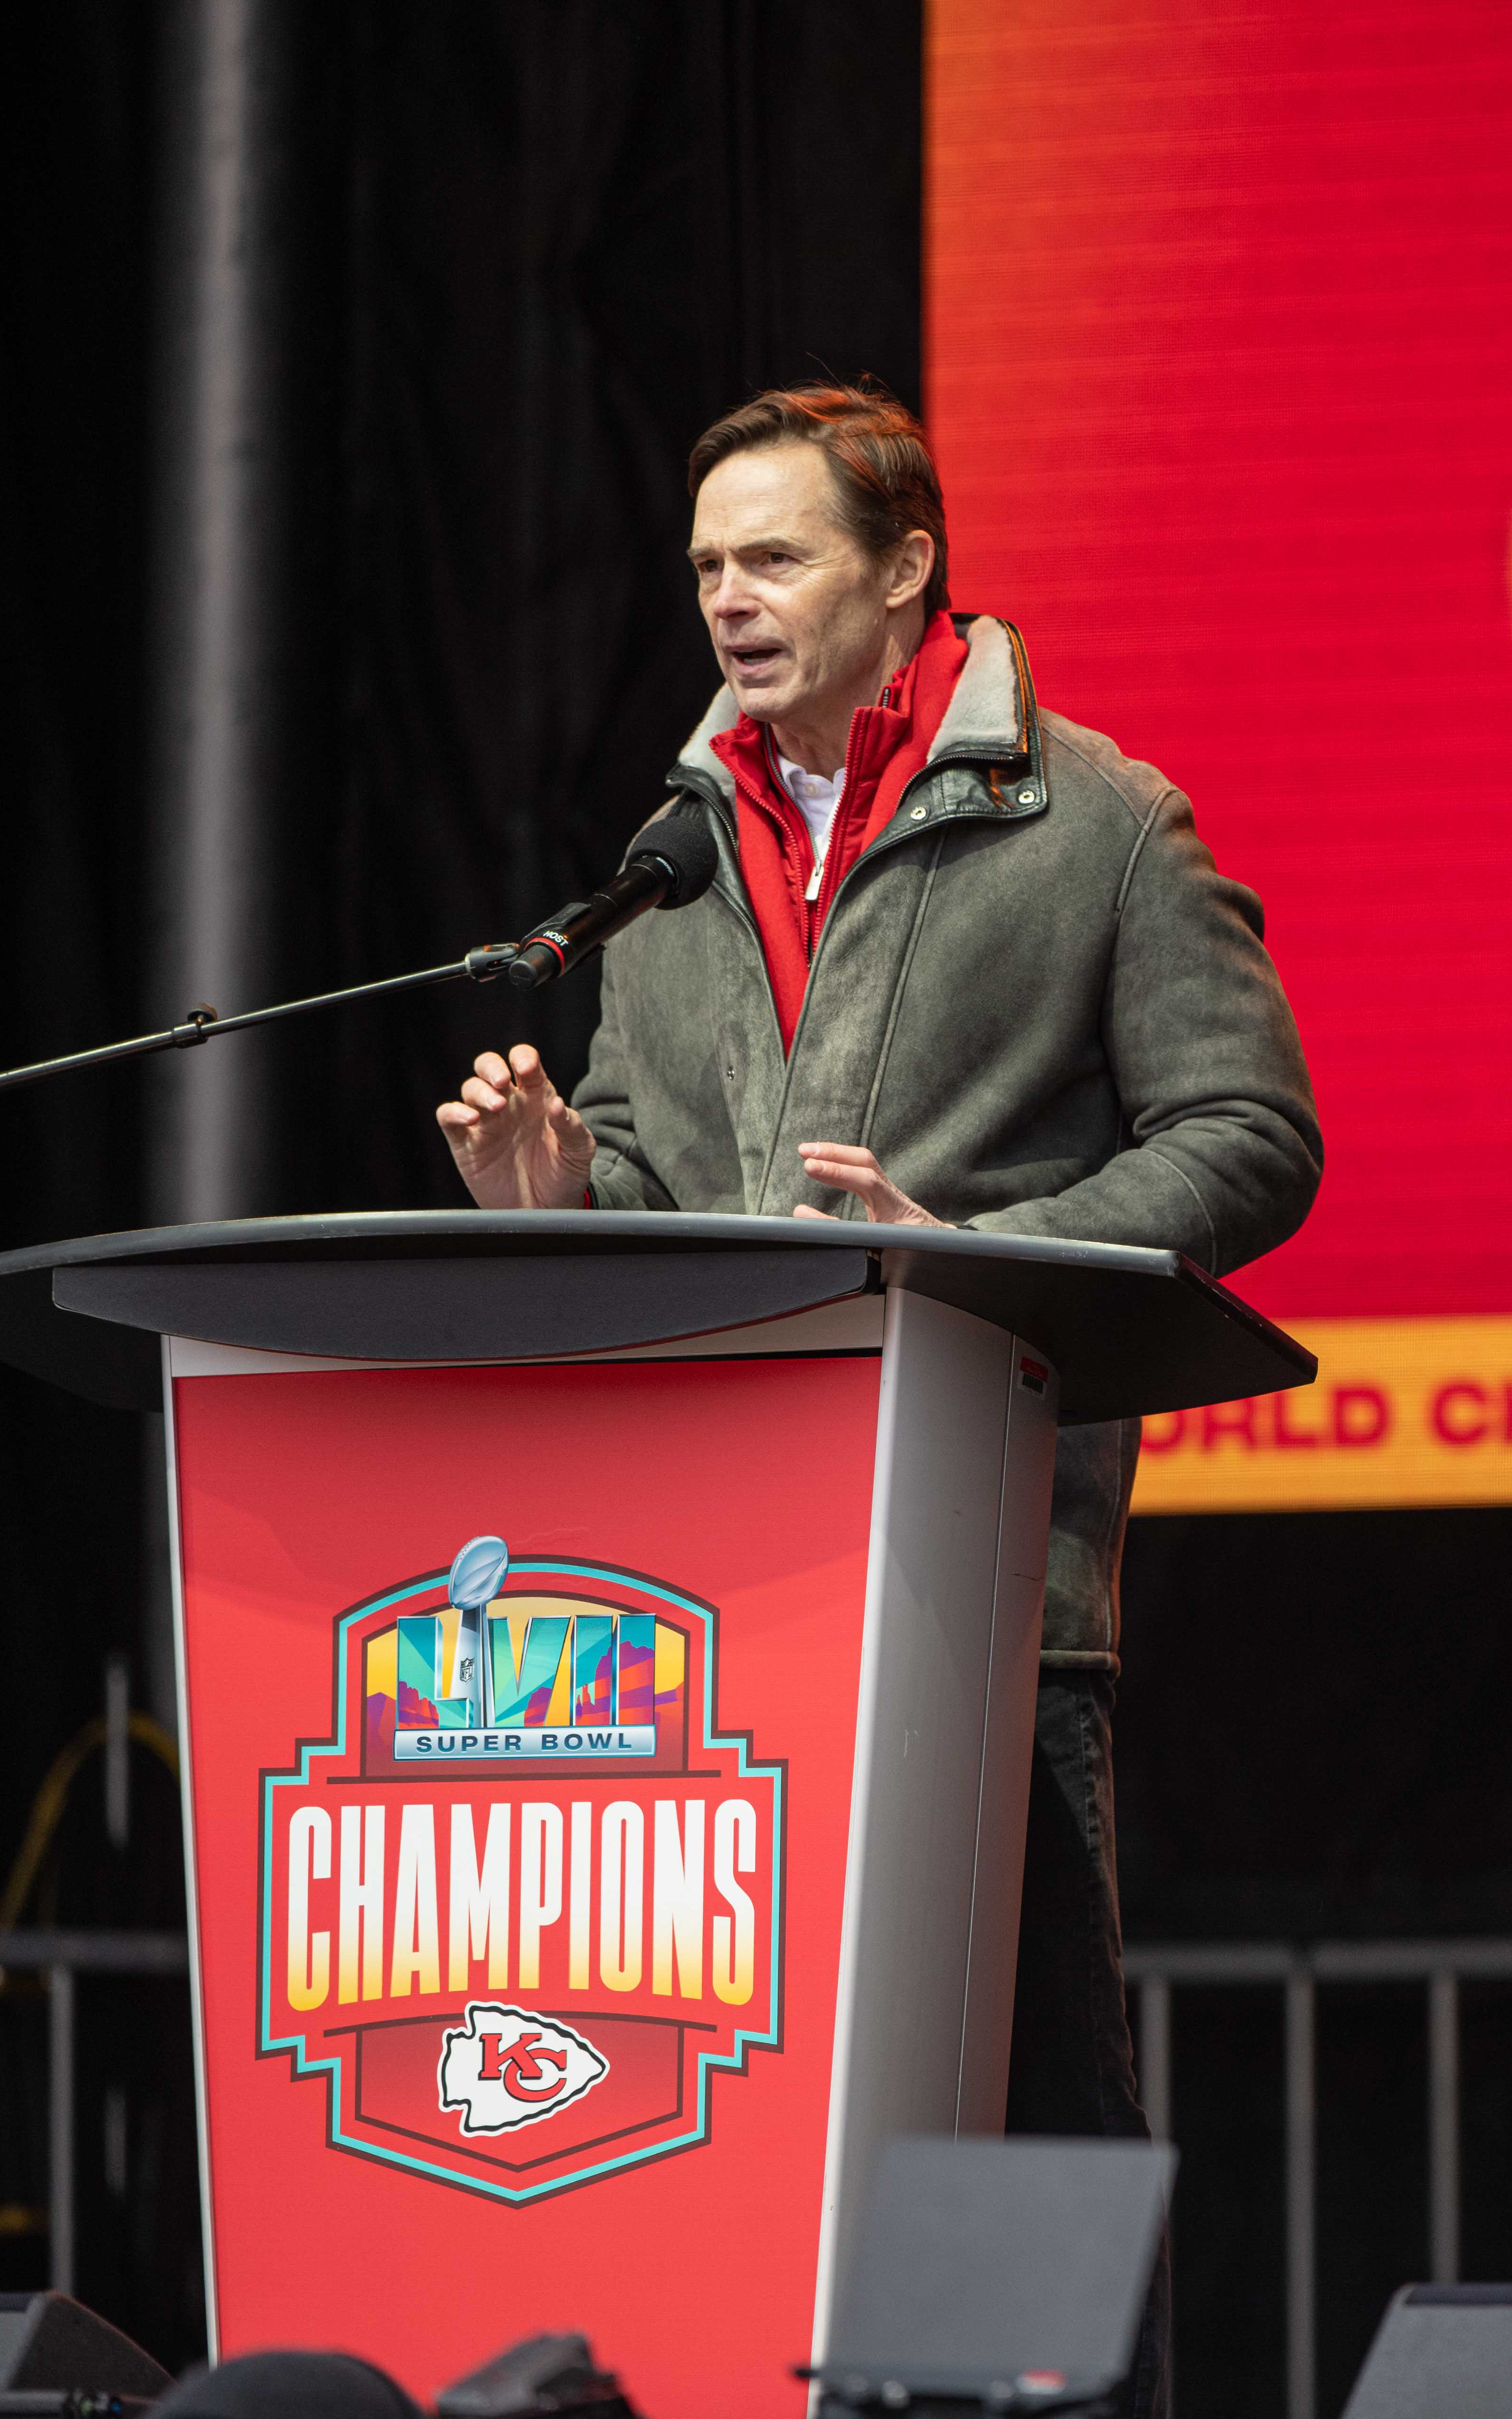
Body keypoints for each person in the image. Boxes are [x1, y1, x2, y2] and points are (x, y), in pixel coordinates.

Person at [435, 381, 1320, 2413]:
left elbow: (1251, 1133)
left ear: (906, 567)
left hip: (981, 1589)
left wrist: (980, 1258)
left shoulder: (1101, 821)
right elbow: (657, 1182)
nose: (725, 601)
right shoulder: (672, 867)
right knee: (749, 2130)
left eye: (773, 557)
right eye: (703, 568)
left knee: (1023, 2138)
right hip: (699, 1611)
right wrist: (560, 1197)